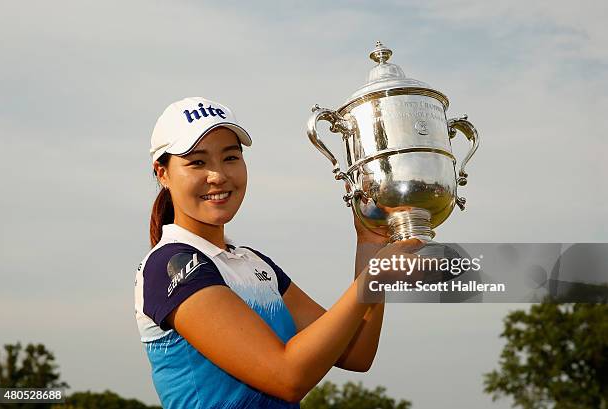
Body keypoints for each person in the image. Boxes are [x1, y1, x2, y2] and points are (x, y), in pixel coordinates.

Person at [134, 97, 423, 409]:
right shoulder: (170, 266)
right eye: (197, 162)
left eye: (230, 158)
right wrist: (373, 277)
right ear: (162, 173)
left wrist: (371, 241)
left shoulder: (255, 264)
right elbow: (287, 376)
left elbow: (356, 353)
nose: (218, 175)